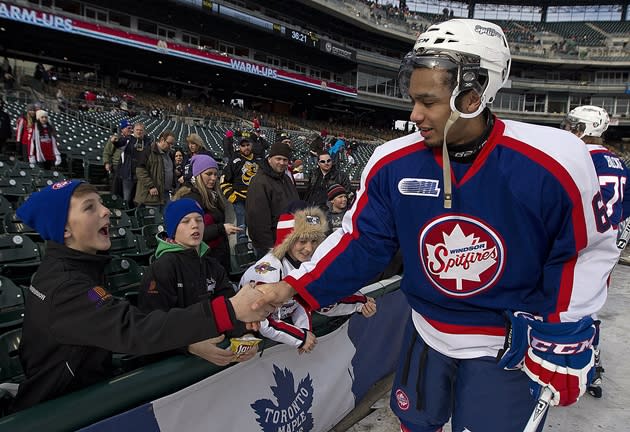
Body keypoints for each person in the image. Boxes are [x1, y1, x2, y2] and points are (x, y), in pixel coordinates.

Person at [251, 19, 619, 432]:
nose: (415, 114)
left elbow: (585, 250)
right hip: (425, 331)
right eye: (414, 100)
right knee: (414, 421)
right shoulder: (392, 161)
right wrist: (293, 288)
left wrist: (566, 326)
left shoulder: (555, 159)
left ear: (473, 95)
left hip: (507, 345)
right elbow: (361, 243)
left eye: (428, 101)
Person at [11, 180, 273, 412]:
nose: (105, 211)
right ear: (64, 229)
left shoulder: (76, 270)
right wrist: (227, 311)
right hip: (62, 410)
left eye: (102, 203)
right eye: (90, 207)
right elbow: (135, 329)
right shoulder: (66, 287)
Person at [561, 105, 630, 399]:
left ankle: (567, 364)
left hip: (579, 245)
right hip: (605, 248)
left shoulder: (578, 159)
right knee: (590, 306)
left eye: (574, 125)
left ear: (586, 129)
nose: (568, 129)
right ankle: (591, 367)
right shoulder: (618, 163)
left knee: (564, 308)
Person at [239, 204, 375, 354]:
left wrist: (361, 303)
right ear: (288, 240)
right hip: (245, 338)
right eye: (302, 241)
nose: (309, 249)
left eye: (314, 241)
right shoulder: (270, 269)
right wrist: (300, 337)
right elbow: (261, 320)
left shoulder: (305, 265)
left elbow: (310, 301)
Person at [138, 198, 258, 365]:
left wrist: (245, 335)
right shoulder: (161, 268)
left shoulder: (212, 265)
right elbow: (152, 324)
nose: (195, 225)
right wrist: (188, 345)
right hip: (176, 366)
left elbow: (231, 306)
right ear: (173, 229)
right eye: (186, 221)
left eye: (199, 220)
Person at [174, 154, 241, 271]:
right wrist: (222, 229)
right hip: (204, 260)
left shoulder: (213, 195)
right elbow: (193, 233)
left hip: (217, 256)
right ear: (198, 175)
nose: (214, 178)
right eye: (208, 174)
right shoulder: (192, 199)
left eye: (215, 174)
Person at [246, 141, 299, 258]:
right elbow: (257, 221)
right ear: (269, 159)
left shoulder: (286, 179)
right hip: (270, 246)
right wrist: (269, 248)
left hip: (288, 241)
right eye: (278, 159)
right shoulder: (259, 181)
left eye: (285, 160)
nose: (282, 163)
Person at [220, 137, 259, 244]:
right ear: (239, 147)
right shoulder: (234, 160)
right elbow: (223, 179)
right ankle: (242, 251)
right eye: (243, 145)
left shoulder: (258, 160)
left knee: (256, 226)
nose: (246, 147)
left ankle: (255, 249)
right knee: (241, 226)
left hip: (255, 200)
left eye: (248, 145)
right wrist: (232, 197)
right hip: (239, 198)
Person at [134, 130, 177, 211]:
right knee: (153, 221)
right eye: (169, 143)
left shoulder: (169, 154)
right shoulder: (148, 151)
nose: (171, 146)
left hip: (166, 194)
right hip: (151, 195)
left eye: (172, 144)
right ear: (161, 140)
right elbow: (140, 171)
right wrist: (151, 186)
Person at [103, 119, 132, 195]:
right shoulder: (116, 138)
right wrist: (107, 163)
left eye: (131, 128)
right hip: (117, 167)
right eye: (128, 128)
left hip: (128, 167)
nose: (130, 130)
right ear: (122, 129)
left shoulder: (132, 139)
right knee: (116, 189)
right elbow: (107, 152)